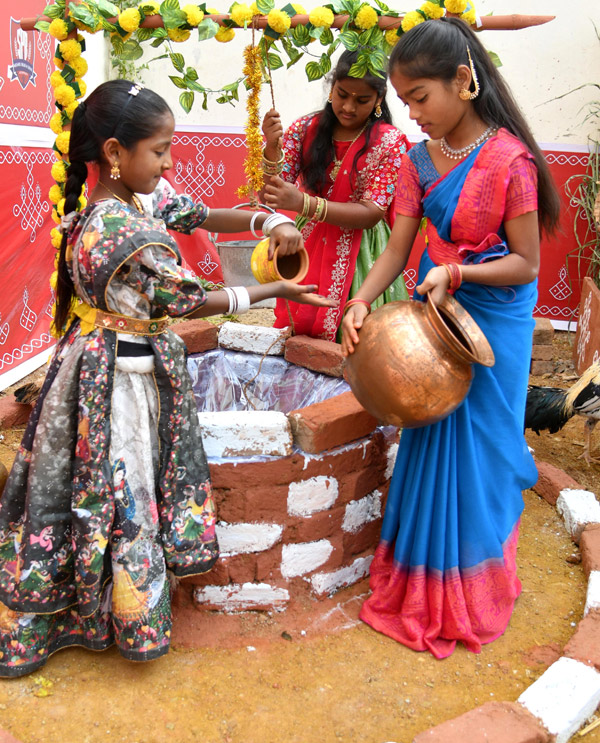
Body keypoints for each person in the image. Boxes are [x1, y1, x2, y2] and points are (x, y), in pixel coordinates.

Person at [0, 79, 332, 677]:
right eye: (159, 150)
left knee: (95, 486)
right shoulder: (118, 230)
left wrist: (268, 220)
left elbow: (197, 212)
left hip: (108, 361)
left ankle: (102, 604)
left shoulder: (132, 204)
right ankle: (110, 612)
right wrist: (274, 288)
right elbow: (184, 300)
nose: (169, 161)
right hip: (117, 380)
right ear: (113, 153)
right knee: (120, 488)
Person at [341, 18, 560, 659]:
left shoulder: (509, 160)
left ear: (464, 82)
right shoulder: (417, 161)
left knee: (480, 454)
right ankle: (423, 580)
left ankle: (473, 580)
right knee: (428, 438)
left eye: (420, 98)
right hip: (432, 326)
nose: (411, 115)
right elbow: (397, 249)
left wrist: (460, 270)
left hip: (491, 325)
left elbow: (526, 264)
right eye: (403, 101)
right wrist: (358, 300)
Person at [261, 50, 410, 341]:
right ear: (331, 88)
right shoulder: (305, 129)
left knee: (363, 343)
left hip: (364, 253)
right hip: (309, 248)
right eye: (342, 94)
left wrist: (304, 203)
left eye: (362, 100)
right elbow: (271, 193)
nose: (349, 107)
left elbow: (372, 213)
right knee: (301, 341)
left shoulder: (390, 142)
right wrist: (270, 148)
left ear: (379, 99)